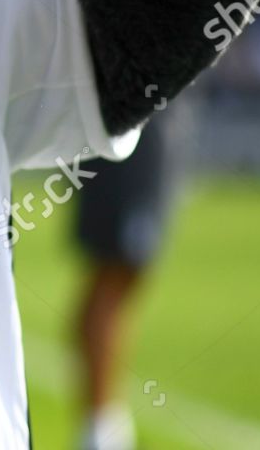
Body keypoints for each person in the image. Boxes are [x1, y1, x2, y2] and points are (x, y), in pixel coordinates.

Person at [74, 112, 177, 450]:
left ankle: (101, 425)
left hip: (128, 124)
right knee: (117, 274)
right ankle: (101, 430)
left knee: (116, 277)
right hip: (130, 127)